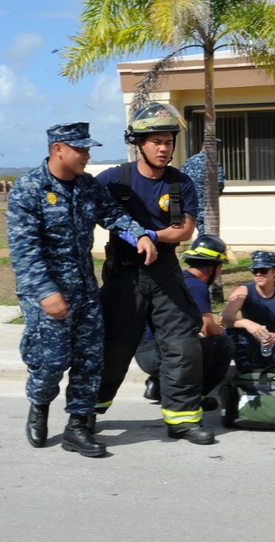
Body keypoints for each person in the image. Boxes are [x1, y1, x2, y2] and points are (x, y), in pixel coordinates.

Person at [7, 122, 158, 458]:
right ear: (58, 148)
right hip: (45, 294)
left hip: (85, 291)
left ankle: (77, 427)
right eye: (81, 149)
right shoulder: (29, 189)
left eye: (88, 149)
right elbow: (24, 250)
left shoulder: (88, 187)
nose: (87, 156)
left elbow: (114, 215)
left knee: (90, 360)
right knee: (51, 362)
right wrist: (47, 293)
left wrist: (141, 235)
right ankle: (40, 403)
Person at [94, 102, 215, 446]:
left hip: (165, 273)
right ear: (139, 143)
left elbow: (185, 230)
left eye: (169, 142)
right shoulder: (113, 180)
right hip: (124, 275)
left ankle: (182, 420)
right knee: (114, 348)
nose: (164, 148)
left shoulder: (180, 184)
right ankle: (87, 412)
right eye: (156, 141)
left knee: (183, 346)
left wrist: (150, 236)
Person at [136, 234, 234, 410]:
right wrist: (228, 332)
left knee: (187, 341)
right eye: (220, 267)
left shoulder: (178, 279)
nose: (220, 272)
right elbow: (208, 329)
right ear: (212, 268)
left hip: (143, 352)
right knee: (223, 345)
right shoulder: (197, 286)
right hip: (159, 354)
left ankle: (157, 386)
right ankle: (196, 397)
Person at [220, 251, 275, 374]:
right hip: (251, 342)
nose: (258, 274)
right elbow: (225, 317)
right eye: (255, 271)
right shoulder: (244, 290)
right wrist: (247, 323)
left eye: (263, 270)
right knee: (234, 334)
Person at [180, 144, 225, 236]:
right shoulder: (213, 163)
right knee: (207, 234)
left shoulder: (190, 161)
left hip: (189, 203)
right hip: (206, 205)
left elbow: (180, 180)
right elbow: (219, 183)